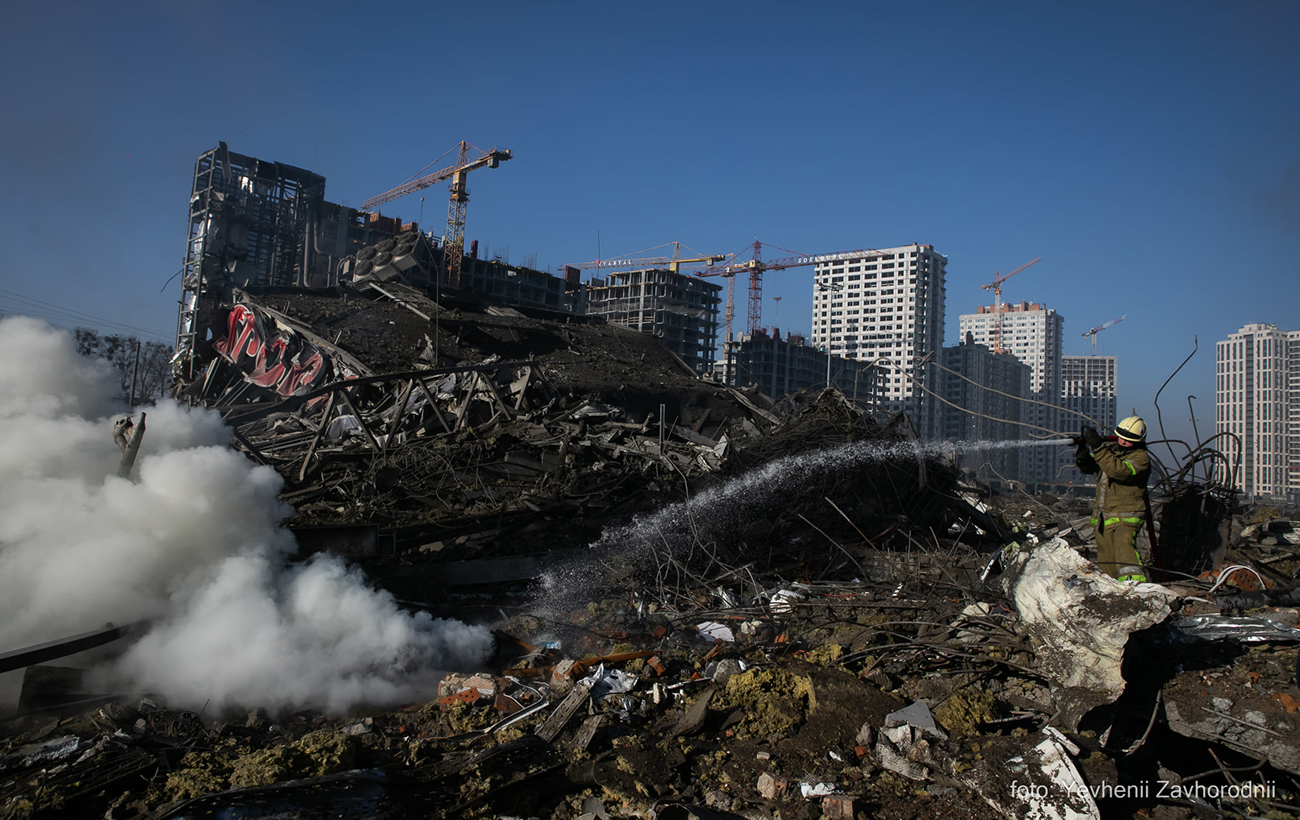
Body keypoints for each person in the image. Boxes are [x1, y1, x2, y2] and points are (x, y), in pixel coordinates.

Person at [1076, 416, 1151, 582]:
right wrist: (1083, 457)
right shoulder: (1111, 451)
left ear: (1138, 441)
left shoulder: (1141, 459)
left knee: (1124, 553)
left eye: (1128, 440)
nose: (1123, 442)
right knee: (1106, 559)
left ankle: (1136, 589)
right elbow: (1092, 467)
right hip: (1105, 516)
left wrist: (1097, 446)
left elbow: (1119, 471)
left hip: (1126, 515)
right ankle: (1112, 591)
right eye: (1121, 438)